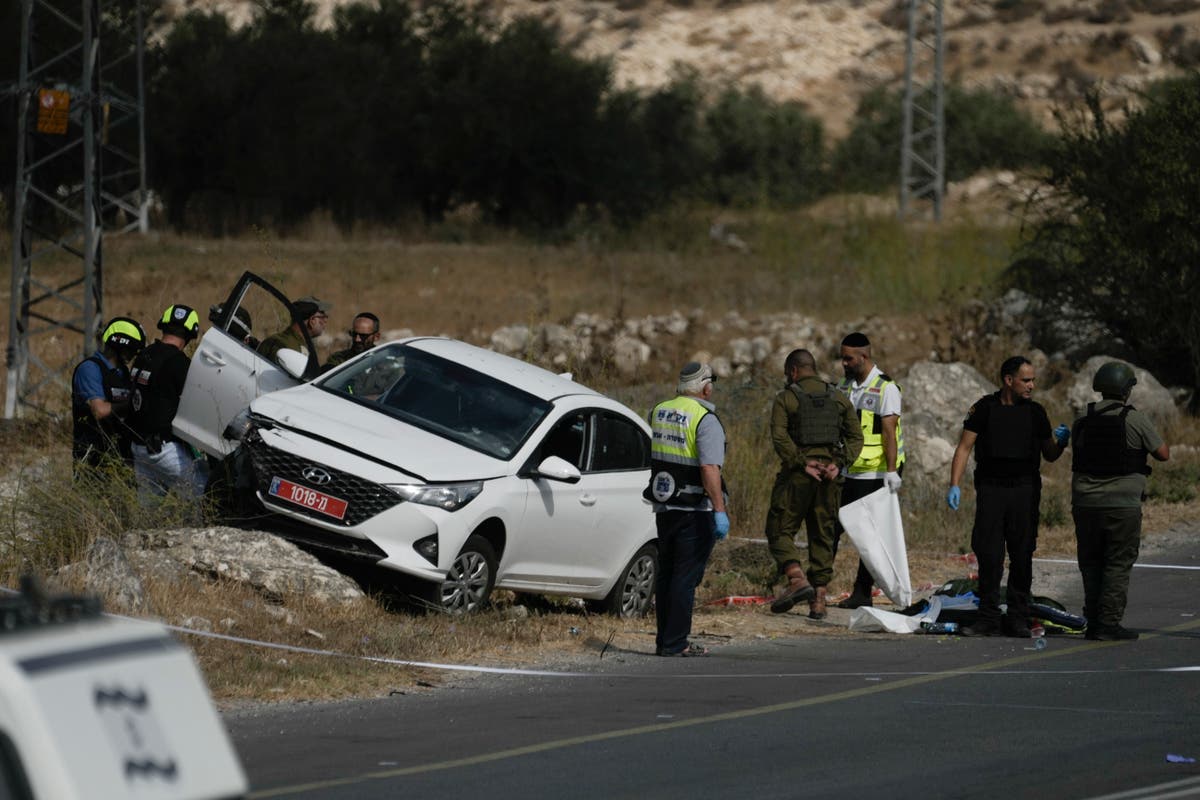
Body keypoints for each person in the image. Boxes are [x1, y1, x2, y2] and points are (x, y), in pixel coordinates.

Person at [947, 356, 1069, 637]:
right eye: (1026, 380)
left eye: (1033, 380)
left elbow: (1049, 454)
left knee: (1022, 554)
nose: (1032, 385)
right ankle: (988, 618)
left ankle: (1017, 618)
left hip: (1024, 491)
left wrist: (1061, 442)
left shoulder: (1036, 412)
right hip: (991, 490)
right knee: (989, 556)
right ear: (1008, 380)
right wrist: (954, 484)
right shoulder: (984, 408)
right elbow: (964, 448)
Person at [1070, 362, 1169, 641]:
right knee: (1117, 563)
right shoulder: (1134, 419)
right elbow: (1163, 453)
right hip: (1122, 505)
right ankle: (1108, 624)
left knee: (1090, 562)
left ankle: (1092, 621)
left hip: (1085, 503)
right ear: (1126, 390)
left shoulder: (1082, 418)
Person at [766, 349, 863, 619]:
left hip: (799, 475)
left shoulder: (786, 398)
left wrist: (800, 461)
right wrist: (839, 463)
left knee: (778, 529)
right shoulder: (839, 398)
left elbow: (779, 436)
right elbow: (856, 436)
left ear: (794, 371)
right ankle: (818, 600)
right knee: (823, 534)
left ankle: (797, 579)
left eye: (788, 373)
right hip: (829, 477)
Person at [646, 361, 728, 657]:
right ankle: (676, 642)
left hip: (665, 505)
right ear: (706, 388)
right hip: (695, 509)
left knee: (667, 575)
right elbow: (709, 468)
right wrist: (719, 509)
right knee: (684, 578)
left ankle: (665, 640)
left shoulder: (658, 411)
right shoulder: (705, 418)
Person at [833, 332, 905, 609]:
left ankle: (863, 591)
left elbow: (889, 432)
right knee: (833, 529)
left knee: (869, 536)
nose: (844, 363)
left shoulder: (886, 388)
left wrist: (891, 471)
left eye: (849, 358)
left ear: (864, 357)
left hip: (876, 473)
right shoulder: (844, 386)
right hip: (848, 470)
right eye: (842, 358)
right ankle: (819, 589)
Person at [129, 304, 208, 501]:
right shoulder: (179, 362)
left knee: (148, 511)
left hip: (139, 448)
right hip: (164, 451)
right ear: (191, 335)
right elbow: (197, 403)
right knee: (204, 496)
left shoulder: (144, 355)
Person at [70, 316, 146, 474]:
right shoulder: (90, 369)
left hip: (120, 457)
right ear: (120, 345)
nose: (133, 355)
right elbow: (100, 410)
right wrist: (132, 404)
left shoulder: (123, 373)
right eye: (131, 350)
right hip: (93, 459)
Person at [257, 295, 331, 366]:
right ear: (312, 321)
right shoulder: (288, 348)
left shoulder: (292, 342)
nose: (325, 320)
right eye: (323, 316)